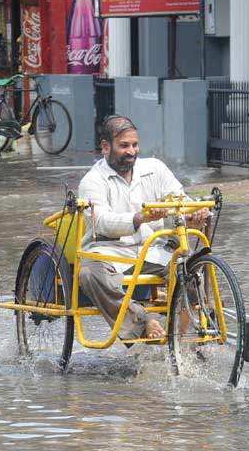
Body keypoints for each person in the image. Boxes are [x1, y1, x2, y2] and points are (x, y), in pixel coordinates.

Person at [77, 115, 210, 342]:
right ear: (106, 147)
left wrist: (194, 213)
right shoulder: (92, 181)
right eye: (124, 146)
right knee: (88, 274)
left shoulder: (155, 169)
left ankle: (180, 341)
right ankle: (143, 320)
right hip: (108, 252)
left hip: (153, 249)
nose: (131, 151)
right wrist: (139, 218)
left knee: (188, 271)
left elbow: (179, 200)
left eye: (135, 145)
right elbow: (101, 222)